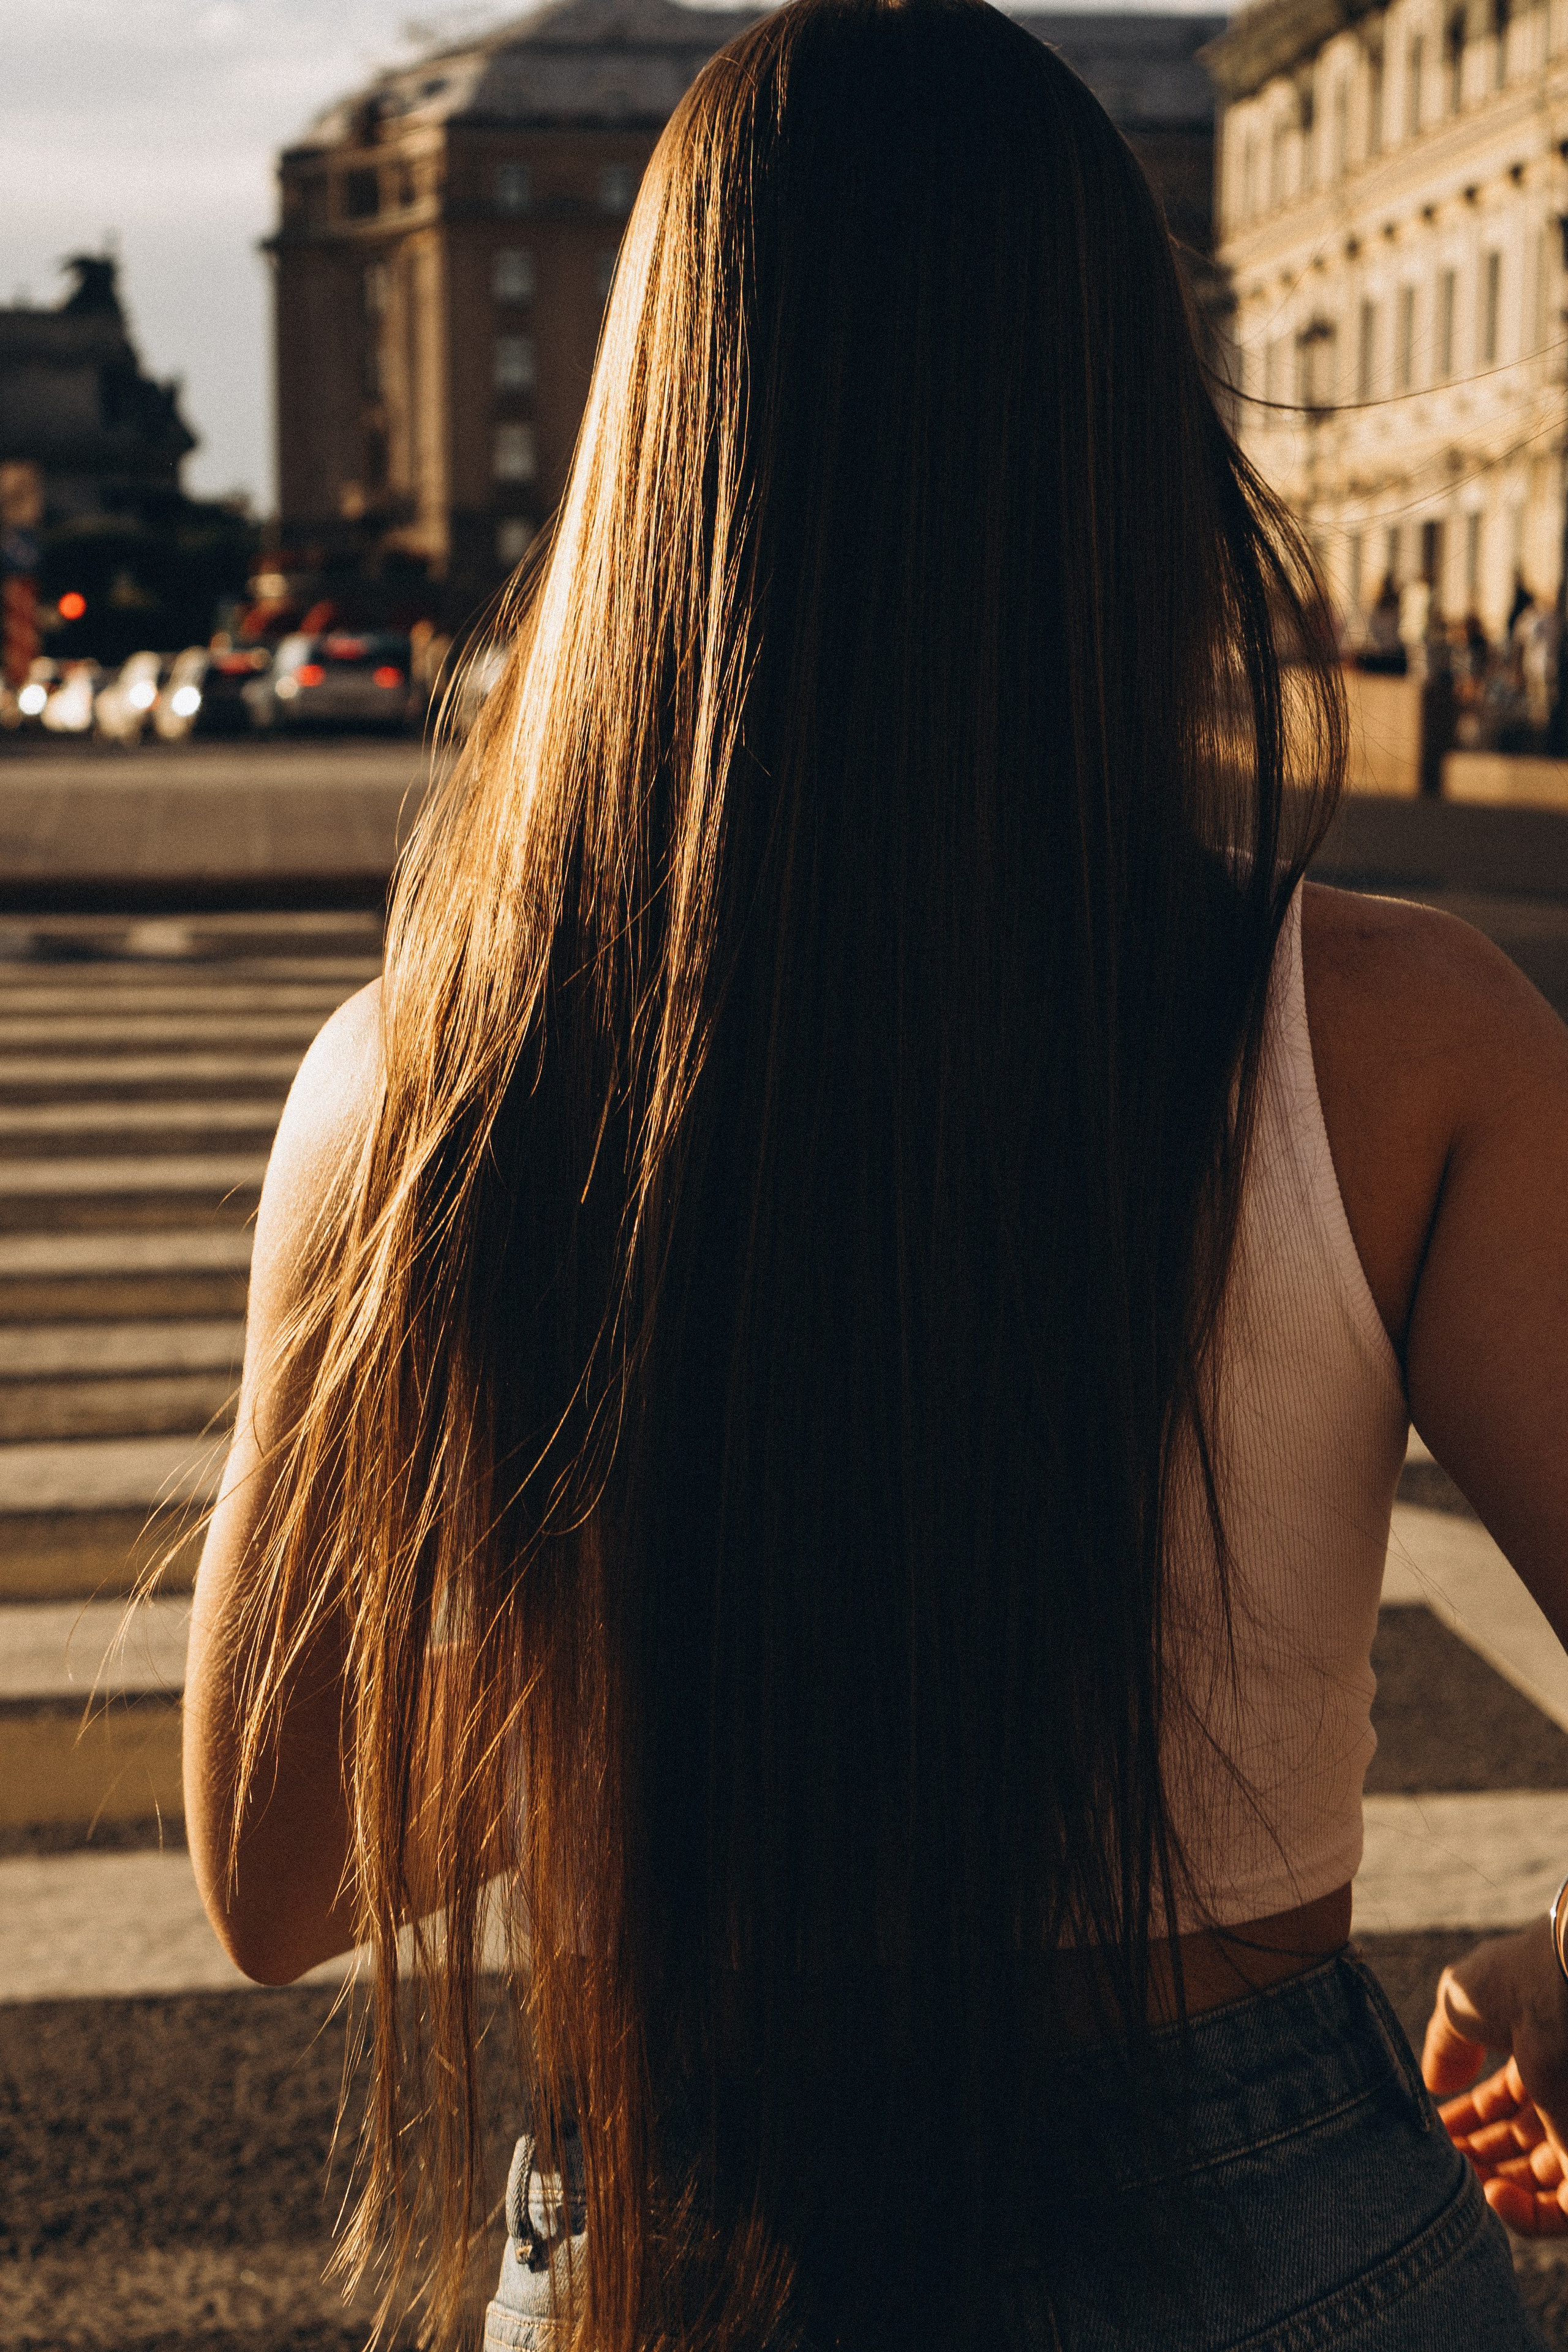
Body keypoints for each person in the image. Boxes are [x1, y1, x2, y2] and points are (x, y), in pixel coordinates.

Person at [183, 3, 1568, 2345]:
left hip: (679, 2237)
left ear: (650, 450)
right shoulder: (1393, 1027)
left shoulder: (416, 1076)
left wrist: (718, 1634)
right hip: (1281, 2234)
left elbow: (281, 1866)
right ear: (1129, 439)